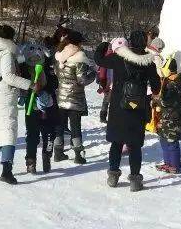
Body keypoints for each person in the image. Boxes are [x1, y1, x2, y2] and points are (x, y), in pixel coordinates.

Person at [93, 31, 160, 192]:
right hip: (137, 108)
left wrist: (104, 45)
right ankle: (135, 180)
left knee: (116, 143)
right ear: (145, 43)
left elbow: (99, 59)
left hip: (118, 108)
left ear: (129, 43)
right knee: (135, 146)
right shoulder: (149, 63)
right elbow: (157, 87)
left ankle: (113, 176)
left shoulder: (119, 58)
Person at [0, 24, 39, 185]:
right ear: (9, 38)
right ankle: (7, 171)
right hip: (3, 97)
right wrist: (30, 84)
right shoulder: (5, 53)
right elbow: (8, 77)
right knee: (8, 133)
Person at [54, 30, 97, 165]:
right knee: (75, 126)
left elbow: (57, 73)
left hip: (61, 97)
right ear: (77, 43)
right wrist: (93, 74)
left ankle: (58, 153)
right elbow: (82, 80)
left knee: (60, 125)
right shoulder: (79, 57)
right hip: (75, 99)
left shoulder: (60, 55)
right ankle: (78, 155)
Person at [19, 44, 59, 174]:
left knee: (49, 134)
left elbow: (55, 83)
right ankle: (31, 161)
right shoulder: (23, 68)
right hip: (31, 108)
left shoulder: (48, 67)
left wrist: (44, 90)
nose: (35, 58)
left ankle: (47, 157)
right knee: (32, 135)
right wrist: (29, 90)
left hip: (49, 107)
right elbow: (19, 84)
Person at [154, 50, 181, 173]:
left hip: (173, 119)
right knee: (163, 140)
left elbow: (166, 101)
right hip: (166, 117)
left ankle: (175, 166)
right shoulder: (169, 82)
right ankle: (168, 163)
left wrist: (157, 99)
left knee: (172, 142)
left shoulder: (175, 84)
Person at [96, 38, 121, 123]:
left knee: (107, 100)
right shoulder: (112, 57)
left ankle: (103, 116)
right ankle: (105, 117)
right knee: (110, 100)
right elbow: (104, 71)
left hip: (108, 82)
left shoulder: (107, 56)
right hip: (110, 82)